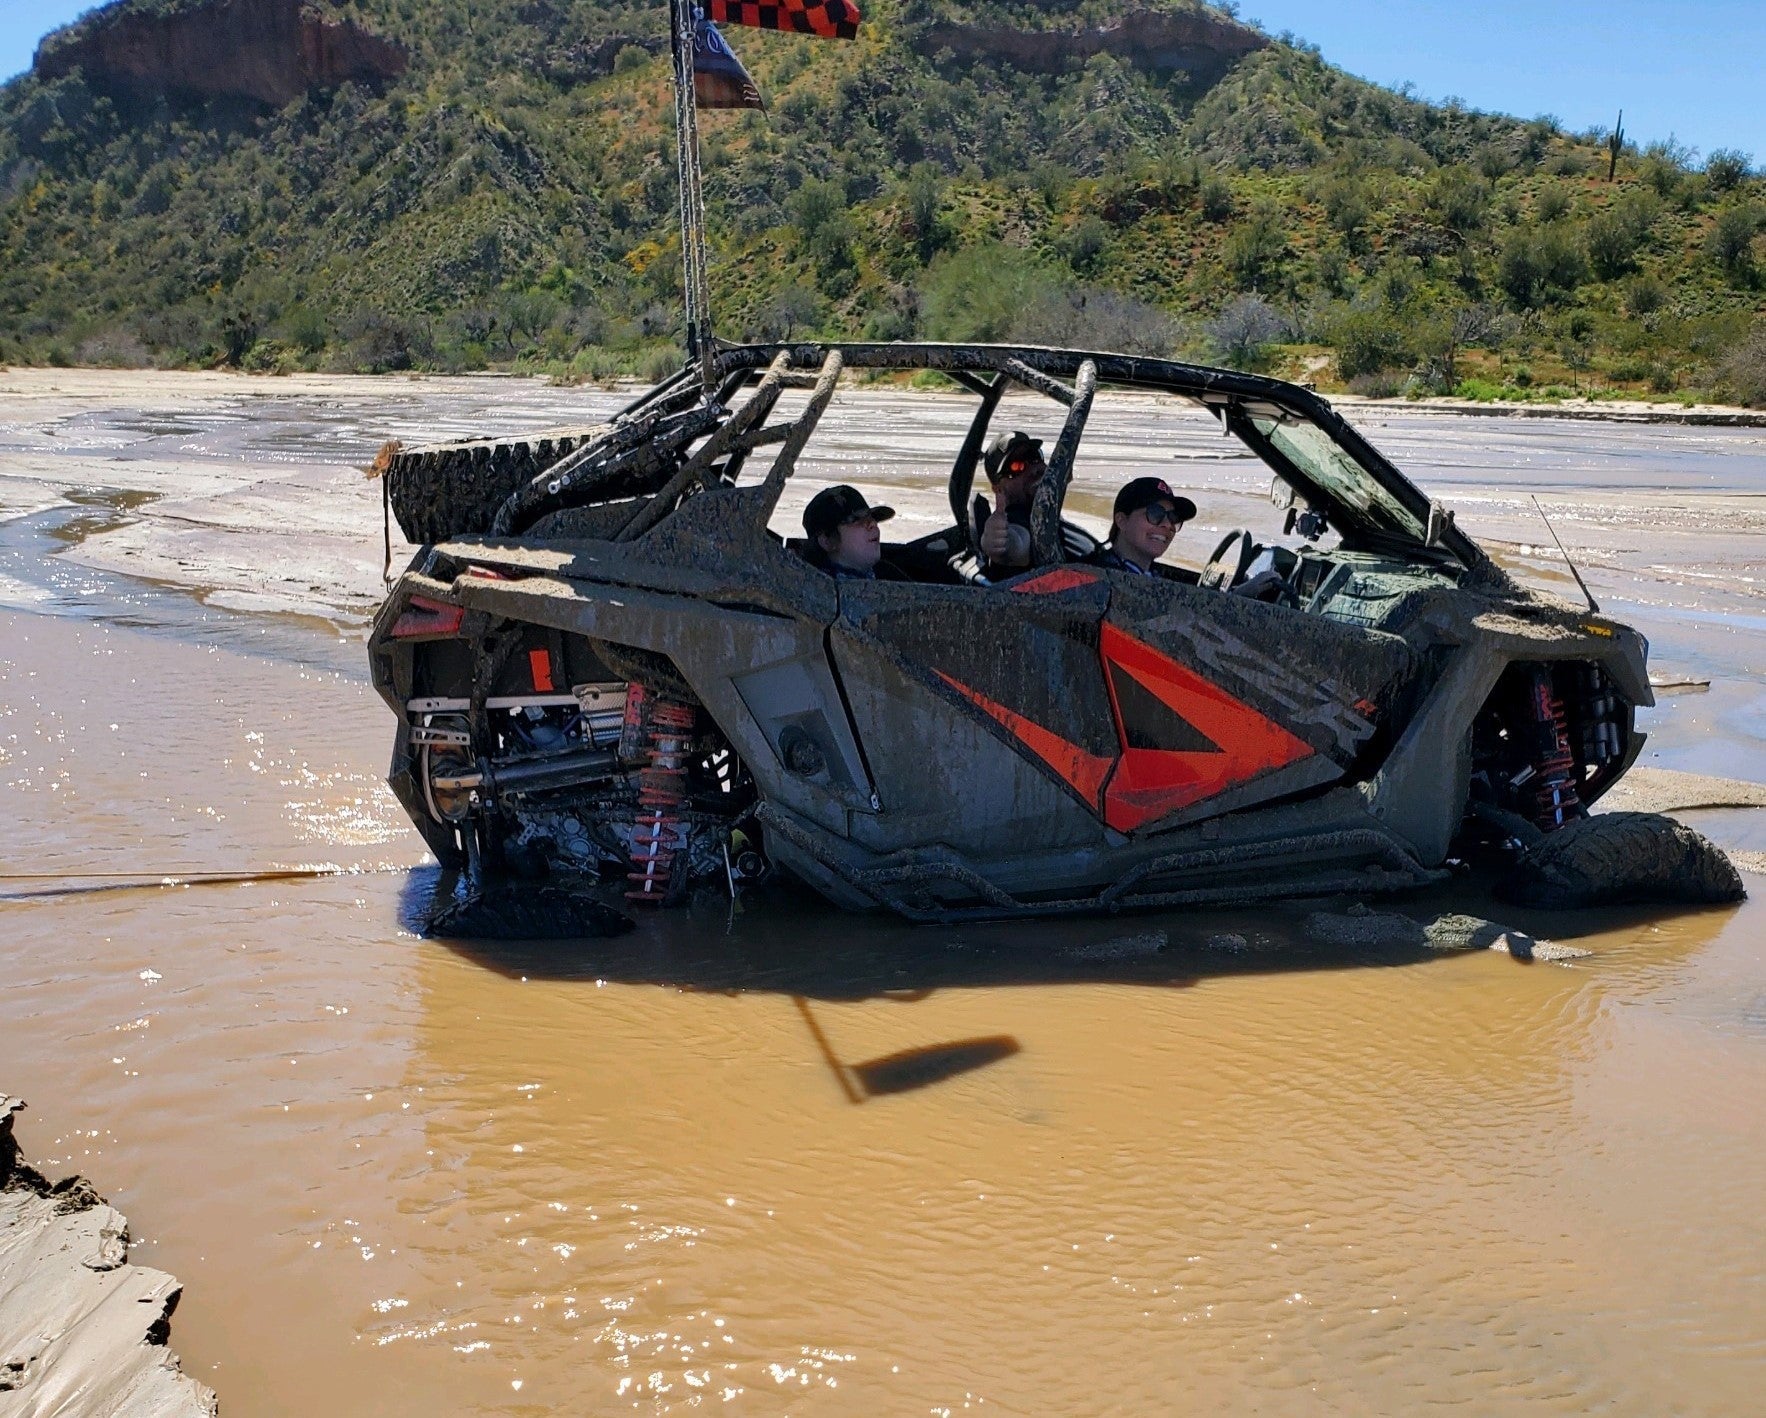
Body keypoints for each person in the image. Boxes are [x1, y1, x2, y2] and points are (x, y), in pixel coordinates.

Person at [1084, 476, 1197, 577]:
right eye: (1155, 513)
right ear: (1122, 521)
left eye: (1174, 518)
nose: (1168, 525)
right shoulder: (1089, 577)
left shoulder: (1160, 579)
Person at [976, 430, 1046, 576]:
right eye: (1016, 467)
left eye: (1035, 457)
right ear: (998, 488)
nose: (1033, 469)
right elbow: (1017, 544)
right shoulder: (1019, 519)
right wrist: (1000, 542)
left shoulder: (1045, 514)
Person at [801, 484, 902, 580]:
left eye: (871, 517)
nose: (872, 524)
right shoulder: (815, 591)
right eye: (855, 519)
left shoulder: (888, 572)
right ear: (827, 541)